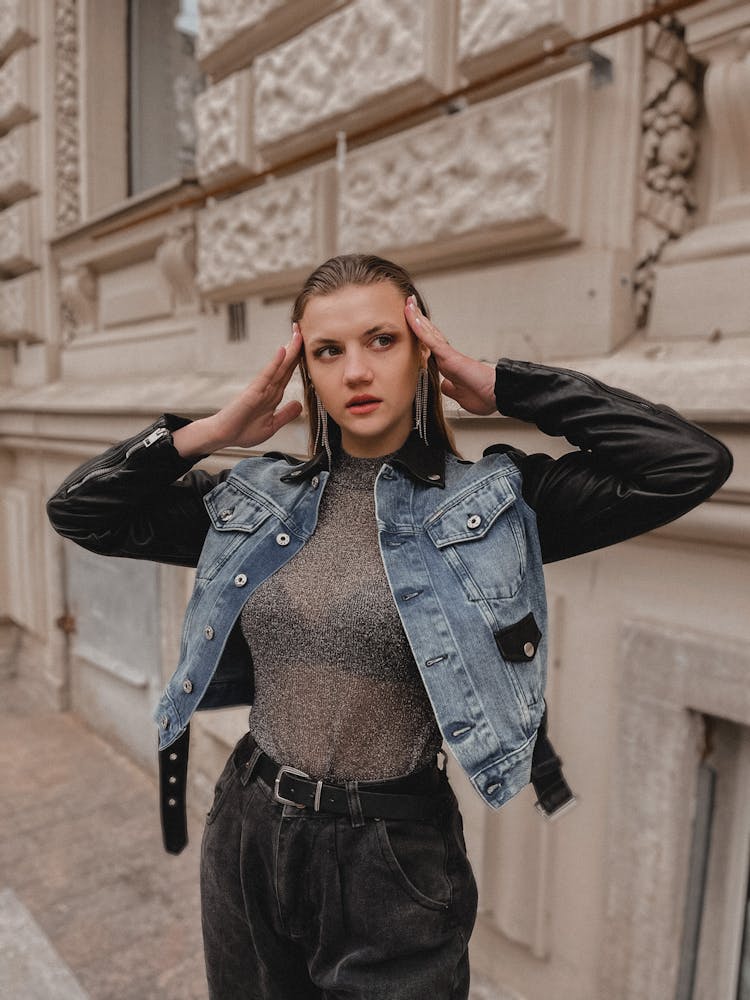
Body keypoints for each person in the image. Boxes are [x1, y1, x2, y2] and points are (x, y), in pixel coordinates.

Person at [47, 254, 733, 1000]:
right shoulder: (255, 500)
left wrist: (501, 385)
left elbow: (687, 463)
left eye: (382, 340)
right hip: (249, 826)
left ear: (422, 348)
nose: (356, 371)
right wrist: (209, 431)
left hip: (390, 863)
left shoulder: (493, 506)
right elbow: (81, 511)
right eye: (328, 351)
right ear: (304, 369)